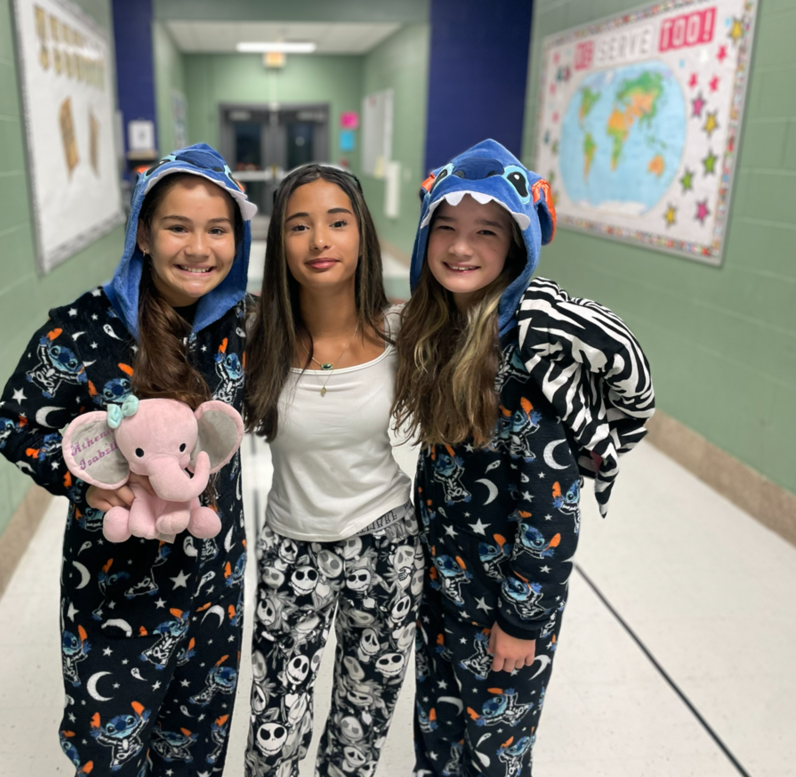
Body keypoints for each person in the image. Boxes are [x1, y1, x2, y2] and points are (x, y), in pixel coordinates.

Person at [0, 144, 257, 776]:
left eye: (218, 230)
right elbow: (12, 424)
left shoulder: (239, 326)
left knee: (195, 744)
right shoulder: (85, 327)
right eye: (177, 227)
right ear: (142, 232)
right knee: (110, 751)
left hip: (215, 579)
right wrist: (83, 486)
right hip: (114, 585)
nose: (200, 248)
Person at [392, 139, 654, 777]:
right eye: (446, 229)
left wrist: (520, 620)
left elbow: (551, 511)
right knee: (439, 727)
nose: (461, 247)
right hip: (444, 586)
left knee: (493, 753)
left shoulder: (535, 361)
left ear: (517, 246)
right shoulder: (447, 333)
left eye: (487, 232)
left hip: (506, 601)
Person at [243, 164, 422, 777]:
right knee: (274, 729)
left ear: (362, 235)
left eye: (337, 222)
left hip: (386, 548)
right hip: (291, 546)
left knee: (360, 729)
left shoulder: (403, 332)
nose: (320, 240)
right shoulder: (256, 335)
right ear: (280, 243)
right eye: (300, 226)